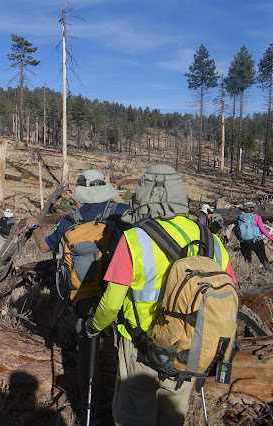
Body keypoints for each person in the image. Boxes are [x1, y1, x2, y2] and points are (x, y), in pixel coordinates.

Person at [85, 165, 236, 426]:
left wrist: (94, 326)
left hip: (140, 348)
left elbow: (111, 304)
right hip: (187, 347)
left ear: (142, 196)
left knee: (133, 417)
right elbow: (229, 294)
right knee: (172, 417)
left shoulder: (135, 239)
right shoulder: (211, 240)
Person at [26, 169, 129, 423]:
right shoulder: (122, 211)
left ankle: (90, 409)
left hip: (87, 296)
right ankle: (125, 407)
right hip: (123, 293)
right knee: (123, 351)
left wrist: (35, 226)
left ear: (81, 192)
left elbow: (43, 246)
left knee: (88, 352)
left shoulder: (70, 221)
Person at [234, 201, 273, 271]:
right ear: (252, 208)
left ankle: (249, 274)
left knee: (247, 260)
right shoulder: (257, 217)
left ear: (244, 209)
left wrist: (240, 238)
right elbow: (262, 229)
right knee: (263, 258)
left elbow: (235, 231)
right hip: (257, 241)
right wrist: (271, 238)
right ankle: (269, 272)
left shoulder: (239, 218)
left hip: (244, 242)